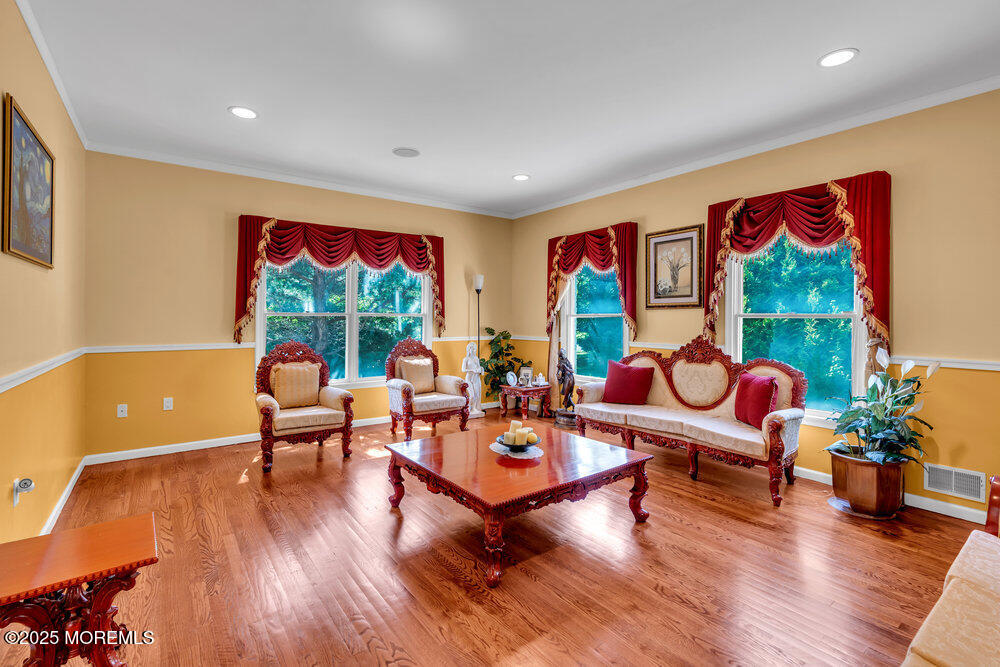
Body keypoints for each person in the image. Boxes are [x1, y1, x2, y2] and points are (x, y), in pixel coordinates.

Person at [461, 341, 484, 415]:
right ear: (469, 349)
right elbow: (463, 369)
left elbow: (478, 367)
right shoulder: (466, 359)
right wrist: (472, 370)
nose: (474, 350)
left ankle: (474, 408)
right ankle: (468, 408)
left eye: (475, 349)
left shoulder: (476, 358)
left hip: (476, 378)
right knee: (472, 395)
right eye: (472, 349)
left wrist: (480, 369)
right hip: (469, 378)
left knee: (477, 394)